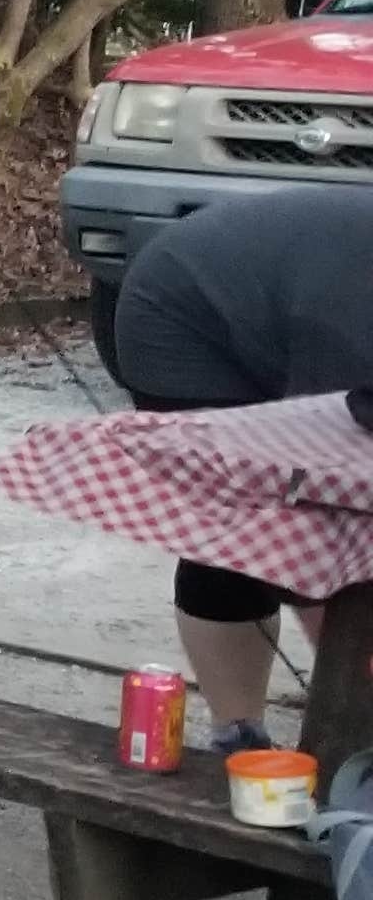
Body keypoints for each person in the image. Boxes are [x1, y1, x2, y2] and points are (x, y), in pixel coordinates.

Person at [110, 188, 373, 752]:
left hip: (276, 304)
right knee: (264, 531)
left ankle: (350, 715)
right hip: (182, 318)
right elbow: (332, 465)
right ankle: (241, 733)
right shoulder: (353, 328)